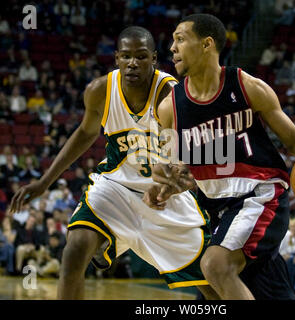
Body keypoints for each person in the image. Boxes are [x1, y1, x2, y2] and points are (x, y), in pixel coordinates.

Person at [144, 13, 295, 300]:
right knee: (218, 293)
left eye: (180, 39)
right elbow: (170, 166)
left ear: (207, 44)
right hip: (218, 212)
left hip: (261, 195)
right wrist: (165, 182)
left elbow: (294, 139)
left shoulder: (246, 86)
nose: (171, 48)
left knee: (215, 265)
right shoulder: (170, 108)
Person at [10, 26, 214, 299]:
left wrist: (174, 184)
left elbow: (194, 151)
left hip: (163, 196)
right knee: (74, 249)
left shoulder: (171, 94)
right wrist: (45, 181)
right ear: (116, 57)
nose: (133, 63)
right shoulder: (100, 91)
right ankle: (105, 241)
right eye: (126, 56)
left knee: (210, 286)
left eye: (141, 57)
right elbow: (84, 133)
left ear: (154, 59)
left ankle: (110, 245)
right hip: (115, 187)